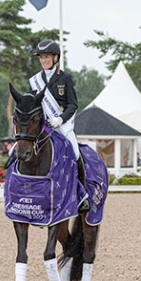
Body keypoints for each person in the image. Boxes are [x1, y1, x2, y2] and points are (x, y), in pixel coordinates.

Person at [29, 39, 89, 212]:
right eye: (41, 57)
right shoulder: (35, 81)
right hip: (43, 126)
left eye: (47, 57)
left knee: (76, 153)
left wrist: (60, 119)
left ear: (55, 58)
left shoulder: (65, 78)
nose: (44, 60)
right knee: (19, 150)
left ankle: (82, 194)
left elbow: (73, 105)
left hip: (62, 125)